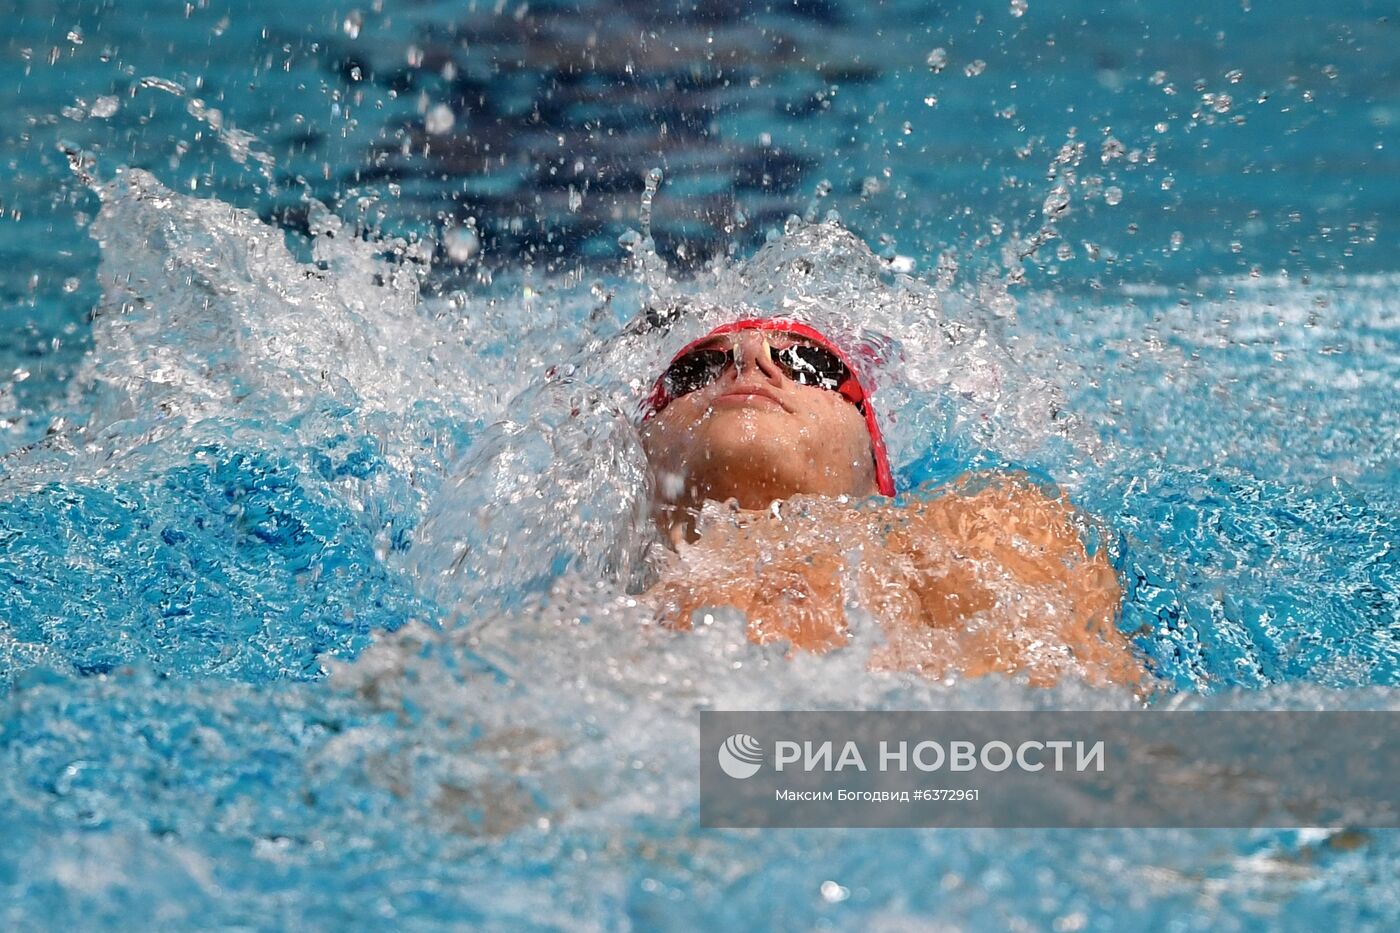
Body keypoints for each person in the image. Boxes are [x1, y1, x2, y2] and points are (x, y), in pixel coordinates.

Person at [637, 316, 1146, 689]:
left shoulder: (978, 527)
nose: (751, 360)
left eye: (806, 363)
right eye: (698, 369)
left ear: (873, 469)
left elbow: (1091, 724)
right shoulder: (591, 605)